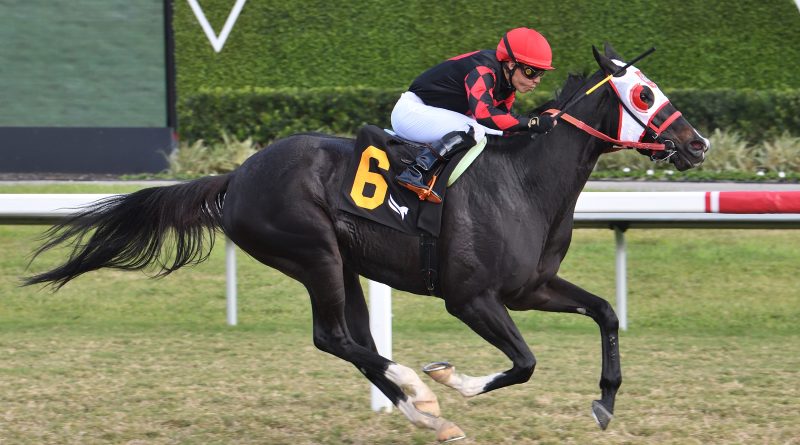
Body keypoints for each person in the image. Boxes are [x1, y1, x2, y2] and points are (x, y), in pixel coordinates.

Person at [391, 27, 558, 203]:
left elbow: (504, 124)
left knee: (495, 132)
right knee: (474, 129)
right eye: (531, 72)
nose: (537, 80)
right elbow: (484, 115)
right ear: (511, 64)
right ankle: (416, 171)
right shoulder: (483, 70)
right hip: (411, 112)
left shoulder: (508, 85)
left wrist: (537, 126)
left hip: (433, 113)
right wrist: (532, 123)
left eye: (541, 73)